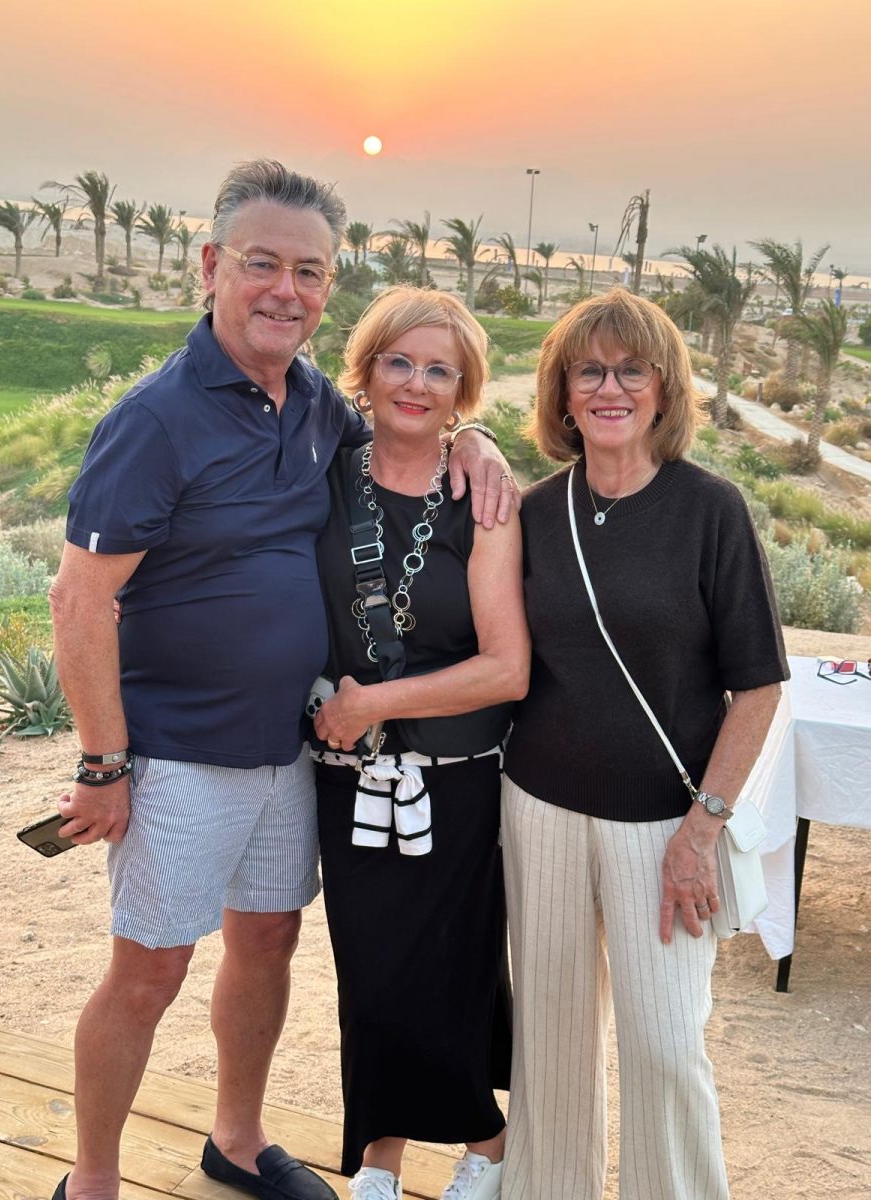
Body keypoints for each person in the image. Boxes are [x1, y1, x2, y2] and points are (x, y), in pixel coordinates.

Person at [47, 160, 516, 1200]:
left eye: (309, 272)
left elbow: (408, 428)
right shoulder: (156, 419)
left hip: (297, 752)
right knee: (149, 970)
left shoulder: (313, 405)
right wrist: (103, 762)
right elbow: (78, 601)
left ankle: (239, 1138)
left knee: (267, 941)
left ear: (327, 287)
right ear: (210, 266)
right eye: (262, 263)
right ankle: (92, 1181)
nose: (285, 290)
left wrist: (476, 438)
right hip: (179, 753)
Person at [500, 288, 789, 1200]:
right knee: (549, 1042)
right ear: (563, 392)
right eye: (589, 371)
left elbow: (759, 687)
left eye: (633, 370)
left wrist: (702, 830)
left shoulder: (711, 511)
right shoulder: (533, 513)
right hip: (539, 807)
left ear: (665, 389)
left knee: (665, 1047)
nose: (610, 388)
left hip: (666, 827)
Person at [309, 286, 530, 1200]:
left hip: (457, 781)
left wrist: (374, 701)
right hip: (346, 775)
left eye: (441, 370)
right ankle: (380, 1159)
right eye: (398, 361)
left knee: (448, 969)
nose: (416, 383)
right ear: (365, 371)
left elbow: (507, 668)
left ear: (463, 391)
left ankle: (488, 1141)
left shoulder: (484, 497)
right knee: (369, 974)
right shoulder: (323, 471)